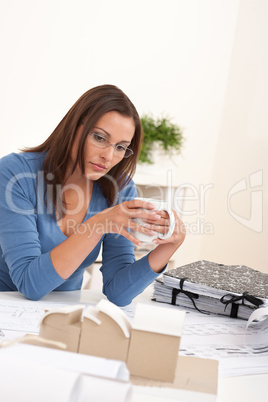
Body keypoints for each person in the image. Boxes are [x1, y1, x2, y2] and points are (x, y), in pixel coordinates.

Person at [0, 84, 185, 305]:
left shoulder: (120, 187)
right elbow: (30, 284)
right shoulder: (15, 174)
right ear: (73, 127)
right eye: (99, 138)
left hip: (62, 319)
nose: (108, 156)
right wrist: (98, 223)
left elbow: (118, 293)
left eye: (120, 147)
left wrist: (169, 246)